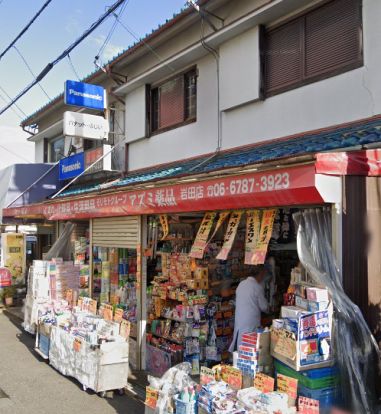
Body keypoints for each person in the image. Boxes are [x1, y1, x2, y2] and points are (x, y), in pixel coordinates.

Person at [229, 265, 269, 352]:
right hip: (250, 324)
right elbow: (264, 307)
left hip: (240, 321)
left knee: (240, 346)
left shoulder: (241, 284)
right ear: (260, 274)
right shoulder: (257, 287)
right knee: (249, 348)